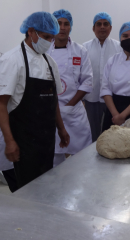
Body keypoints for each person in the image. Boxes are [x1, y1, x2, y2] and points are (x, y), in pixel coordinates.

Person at [0, 11, 70, 192]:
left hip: (46, 140)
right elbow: (1, 105)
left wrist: (61, 129)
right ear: (31, 32)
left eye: (51, 38)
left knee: (44, 187)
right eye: (46, 37)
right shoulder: (12, 59)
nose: (49, 42)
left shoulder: (49, 62)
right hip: (22, 141)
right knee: (25, 192)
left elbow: (53, 101)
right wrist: (9, 141)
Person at [47, 9, 93, 167]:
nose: (62, 27)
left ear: (70, 27)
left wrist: (69, 106)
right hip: (51, 111)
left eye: (66, 24)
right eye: (59, 23)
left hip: (74, 113)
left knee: (82, 157)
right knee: (54, 157)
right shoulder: (44, 51)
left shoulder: (80, 51)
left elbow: (87, 82)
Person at [83, 12, 122, 142]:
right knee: (92, 131)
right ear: (93, 28)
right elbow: (80, 73)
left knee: (112, 132)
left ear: (110, 28)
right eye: (98, 24)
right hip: (91, 98)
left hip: (113, 98)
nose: (102, 27)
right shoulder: (84, 48)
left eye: (106, 24)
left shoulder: (119, 48)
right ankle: (93, 156)